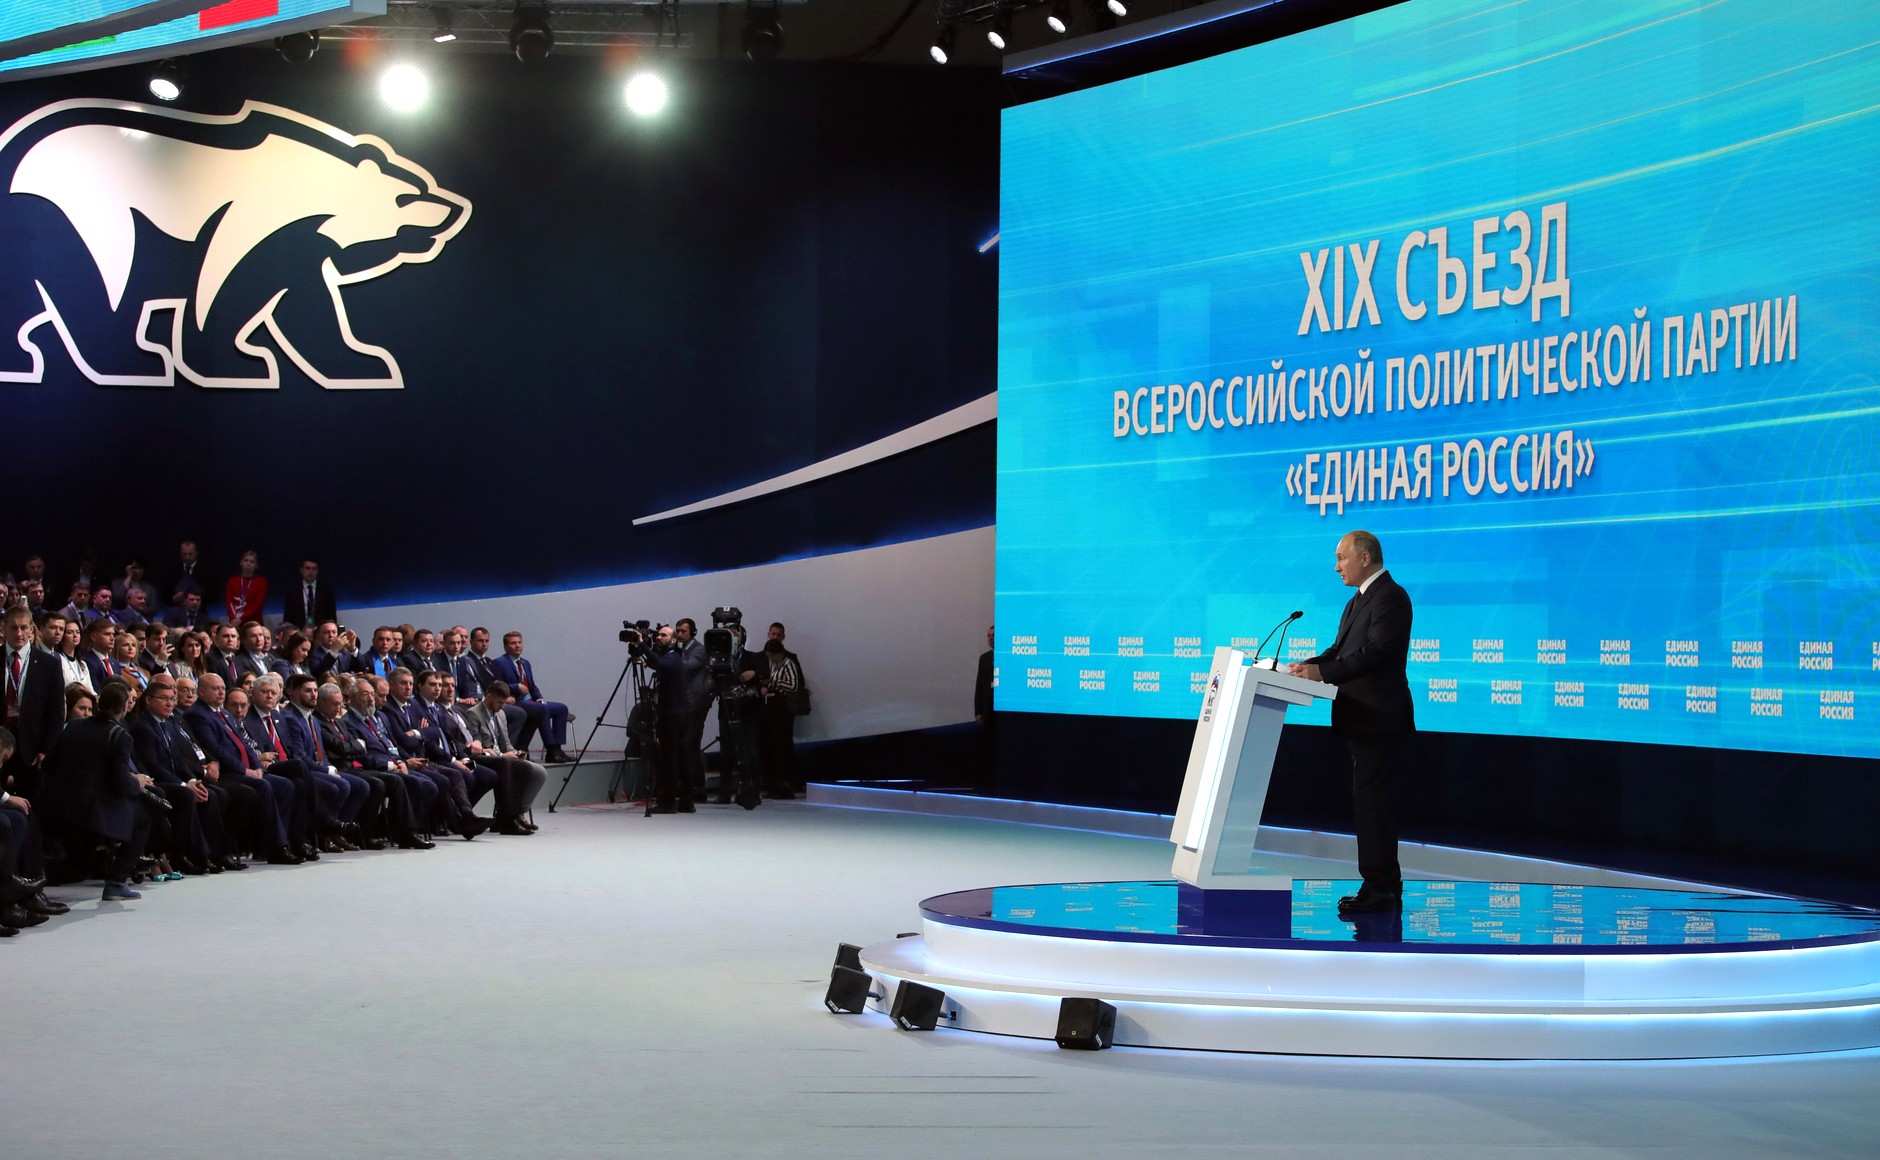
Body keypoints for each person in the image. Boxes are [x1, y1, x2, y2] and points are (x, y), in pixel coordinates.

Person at [1289, 530, 1415, 916]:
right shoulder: (1356, 600)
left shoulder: (1391, 597)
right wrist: (1307, 666)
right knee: (1369, 806)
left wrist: (1323, 673)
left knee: (1376, 807)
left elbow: (1376, 653)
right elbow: (1340, 650)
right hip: (1361, 720)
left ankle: (1381, 889)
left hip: (1381, 720)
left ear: (1365, 557)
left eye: (1342, 557)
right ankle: (1379, 885)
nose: (1336, 566)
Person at [48, 680, 157, 900]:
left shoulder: (73, 727)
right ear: (124, 706)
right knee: (144, 816)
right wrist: (137, 782)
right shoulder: (120, 736)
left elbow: (50, 764)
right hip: (93, 809)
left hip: (58, 803)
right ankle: (117, 881)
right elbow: (121, 784)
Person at [186, 673, 301, 865]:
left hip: (245, 770)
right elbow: (215, 749)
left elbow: (245, 743)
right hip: (227, 773)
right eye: (215, 688)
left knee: (285, 786)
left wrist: (256, 766)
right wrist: (246, 771)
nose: (221, 692)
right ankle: (277, 847)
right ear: (202, 691)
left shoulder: (224, 713)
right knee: (262, 787)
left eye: (223, 688)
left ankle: (273, 843)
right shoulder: (198, 715)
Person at [4, 603, 69, 802]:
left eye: (24, 627)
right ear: (3, 628)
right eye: (14, 627)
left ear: (32, 630)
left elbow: (56, 711)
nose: (19, 633)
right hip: (1, 744)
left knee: (30, 807)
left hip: (32, 750)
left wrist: (46, 749)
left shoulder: (49, 664)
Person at [462, 680, 544, 833]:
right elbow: (476, 746)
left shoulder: (501, 714)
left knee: (537, 771)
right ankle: (506, 818)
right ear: (489, 696)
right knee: (506, 764)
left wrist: (515, 753)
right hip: (482, 757)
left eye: (504, 702)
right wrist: (502, 755)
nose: (502, 706)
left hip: (500, 756)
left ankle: (518, 812)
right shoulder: (474, 713)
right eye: (499, 702)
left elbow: (506, 743)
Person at [649, 619, 710, 812]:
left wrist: (643, 647)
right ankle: (685, 800)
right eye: (659, 635)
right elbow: (659, 664)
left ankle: (674, 800)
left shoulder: (681, 655)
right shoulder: (672, 654)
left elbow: (672, 666)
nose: (659, 637)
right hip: (678, 708)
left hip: (681, 710)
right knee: (680, 755)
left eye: (664, 635)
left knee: (677, 755)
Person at [490, 631, 572, 762]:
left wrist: (539, 698)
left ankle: (558, 748)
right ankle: (551, 750)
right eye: (513, 643)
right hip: (515, 701)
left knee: (561, 708)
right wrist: (515, 687)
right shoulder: (499, 663)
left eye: (519, 642)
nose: (517, 646)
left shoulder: (525, 663)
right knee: (541, 710)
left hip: (531, 701)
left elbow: (532, 685)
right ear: (505, 647)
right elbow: (497, 685)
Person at [751, 621, 809, 799]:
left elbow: (796, 684)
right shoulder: (759, 657)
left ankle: (784, 783)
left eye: (778, 634)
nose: (775, 637)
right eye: (773, 634)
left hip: (782, 709)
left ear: (783, 637)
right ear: (768, 634)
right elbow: (755, 679)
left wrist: (771, 685)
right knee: (765, 745)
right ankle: (769, 783)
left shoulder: (789, 659)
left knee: (782, 746)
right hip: (764, 708)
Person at [282, 557, 336, 629]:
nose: (311, 572)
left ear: (317, 571)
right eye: (307, 568)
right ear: (301, 570)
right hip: (299, 631)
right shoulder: (292, 591)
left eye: (314, 569)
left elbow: (331, 617)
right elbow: (288, 619)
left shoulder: (326, 591)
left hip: (321, 632)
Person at [974, 624, 996, 787]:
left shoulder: (1009, 656)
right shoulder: (985, 658)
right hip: (987, 712)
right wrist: (978, 711)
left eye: (993, 635)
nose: (990, 638)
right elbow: (979, 686)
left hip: (1003, 712)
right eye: (988, 636)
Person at [224, 548, 267, 625]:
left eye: (252, 562)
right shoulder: (232, 581)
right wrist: (234, 617)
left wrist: (241, 618)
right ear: (241, 562)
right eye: (246, 560)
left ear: (256, 566)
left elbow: (257, 605)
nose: (248, 563)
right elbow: (229, 602)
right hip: (235, 622)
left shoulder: (261, 582)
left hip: (253, 622)